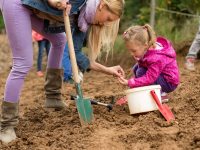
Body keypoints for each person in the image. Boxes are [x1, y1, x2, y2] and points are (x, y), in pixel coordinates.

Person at [0, 0, 125, 143]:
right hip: (17, 3)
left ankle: (52, 97)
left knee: (60, 40)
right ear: (102, 5)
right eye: (108, 19)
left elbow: (77, 54)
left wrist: (108, 70)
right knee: (23, 63)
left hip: (32, 8)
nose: (104, 23)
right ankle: (7, 125)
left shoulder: (83, 20)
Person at [118, 24, 180, 103]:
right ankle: (139, 91)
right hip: (161, 76)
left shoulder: (157, 58)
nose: (131, 54)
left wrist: (130, 82)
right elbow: (143, 63)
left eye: (133, 51)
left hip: (169, 82)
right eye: (130, 50)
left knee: (140, 72)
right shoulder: (147, 48)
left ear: (145, 45)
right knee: (136, 68)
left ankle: (161, 94)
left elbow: (149, 78)